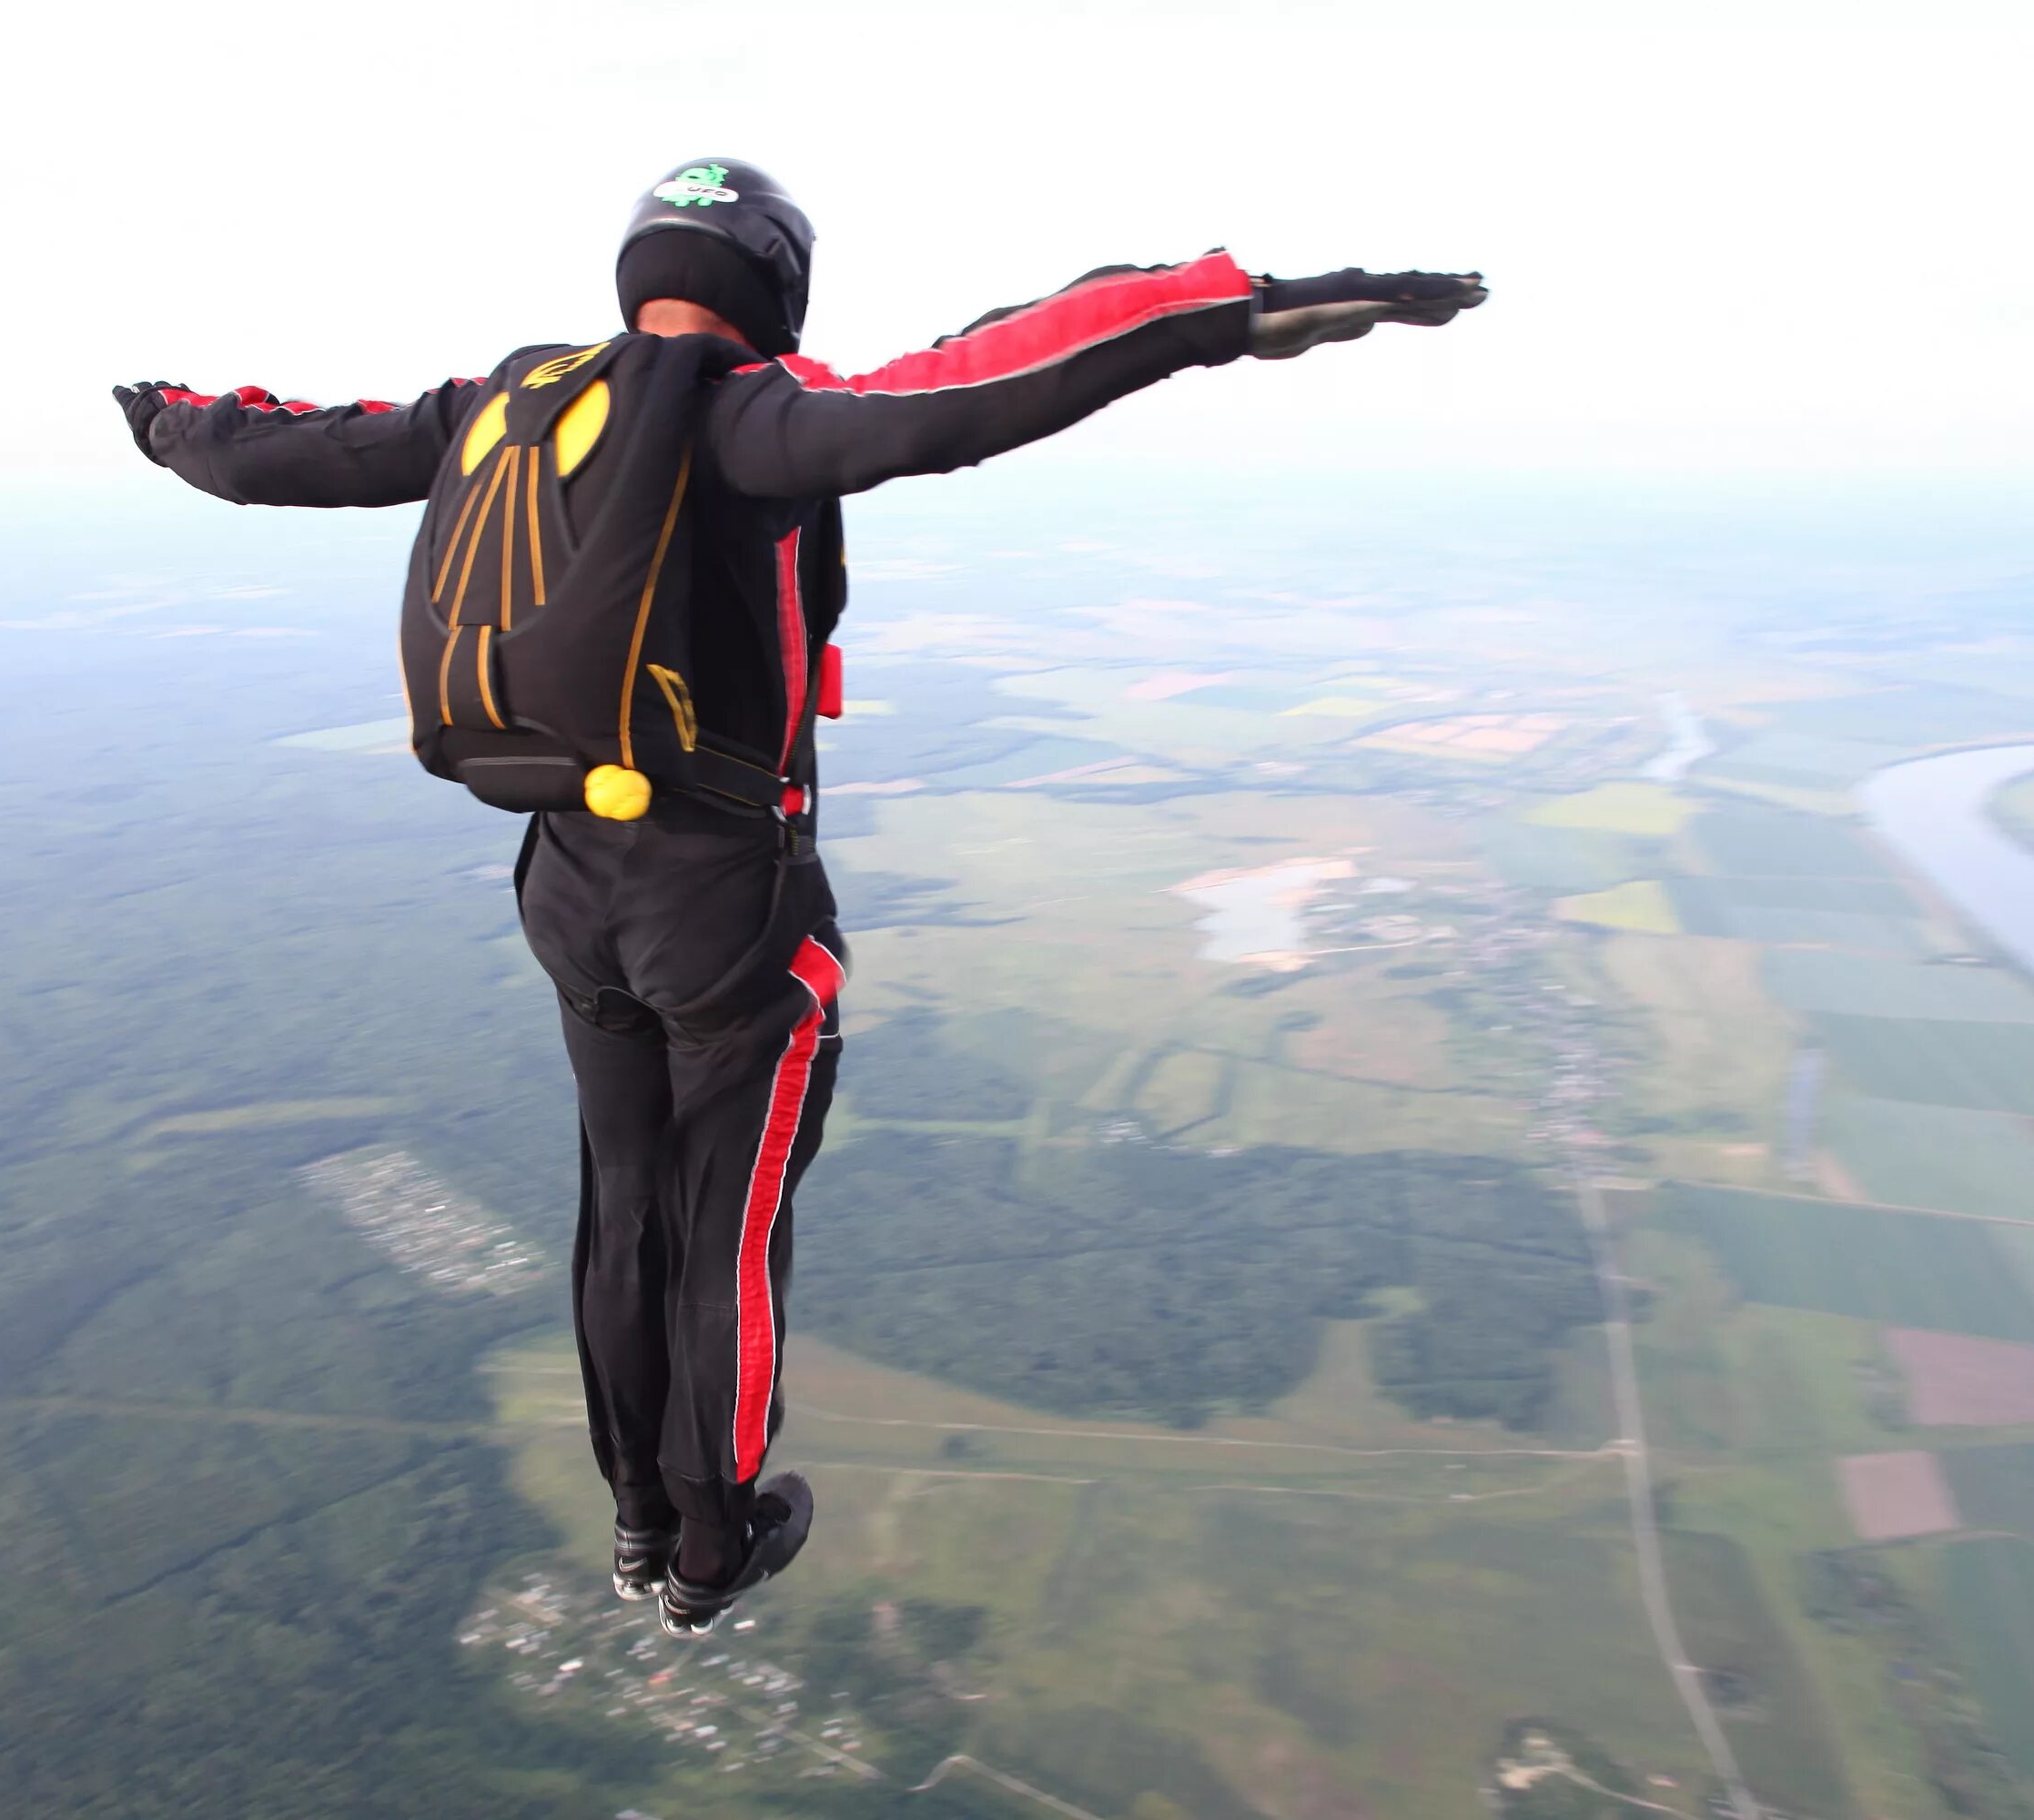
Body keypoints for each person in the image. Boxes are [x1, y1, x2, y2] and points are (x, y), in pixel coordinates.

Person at [114, 157, 1484, 1636]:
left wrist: (168, 420)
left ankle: (640, 1516)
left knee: (624, 1207)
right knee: (728, 1229)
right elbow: (960, 391)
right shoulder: (737, 408)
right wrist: (1226, 310)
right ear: (778, 279)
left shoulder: (501, 407)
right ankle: (712, 1542)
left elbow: (283, 451)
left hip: (567, 880)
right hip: (723, 909)